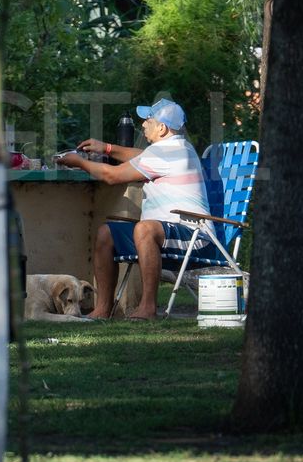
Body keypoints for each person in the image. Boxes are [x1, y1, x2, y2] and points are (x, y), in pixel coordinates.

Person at [54, 99, 211, 320]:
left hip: (194, 236)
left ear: (162, 128)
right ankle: (103, 309)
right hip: (170, 233)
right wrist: (107, 148)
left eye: (148, 120)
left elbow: (112, 176)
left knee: (144, 229)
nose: (143, 125)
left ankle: (148, 308)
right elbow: (140, 155)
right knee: (106, 234)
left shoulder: (168, 153)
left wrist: (79, 162)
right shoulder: (175, 148)